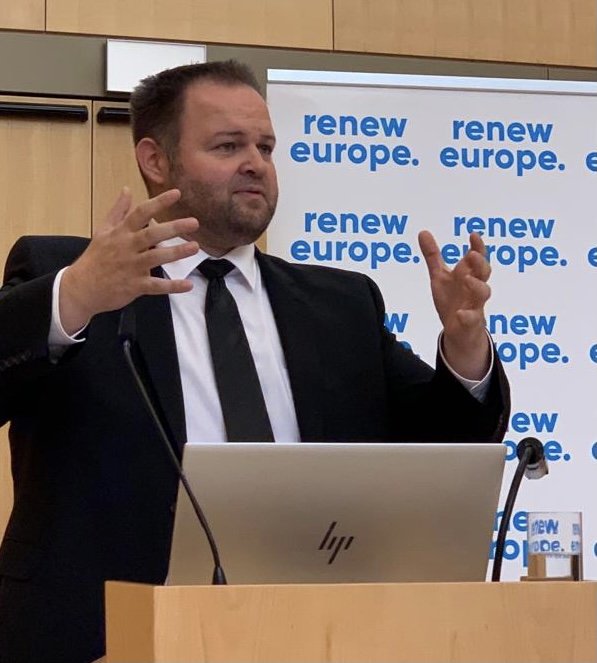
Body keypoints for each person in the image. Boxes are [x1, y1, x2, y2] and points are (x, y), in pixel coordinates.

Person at [0, 60, 509, 663]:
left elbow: (445, 445)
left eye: (265, 147)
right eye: (228, 146)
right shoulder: (73, 277)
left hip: (309, 634)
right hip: (103, 631)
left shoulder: (339, 303)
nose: (255, 163)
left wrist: (465, 343)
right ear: (155, 160)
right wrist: (76, 296)